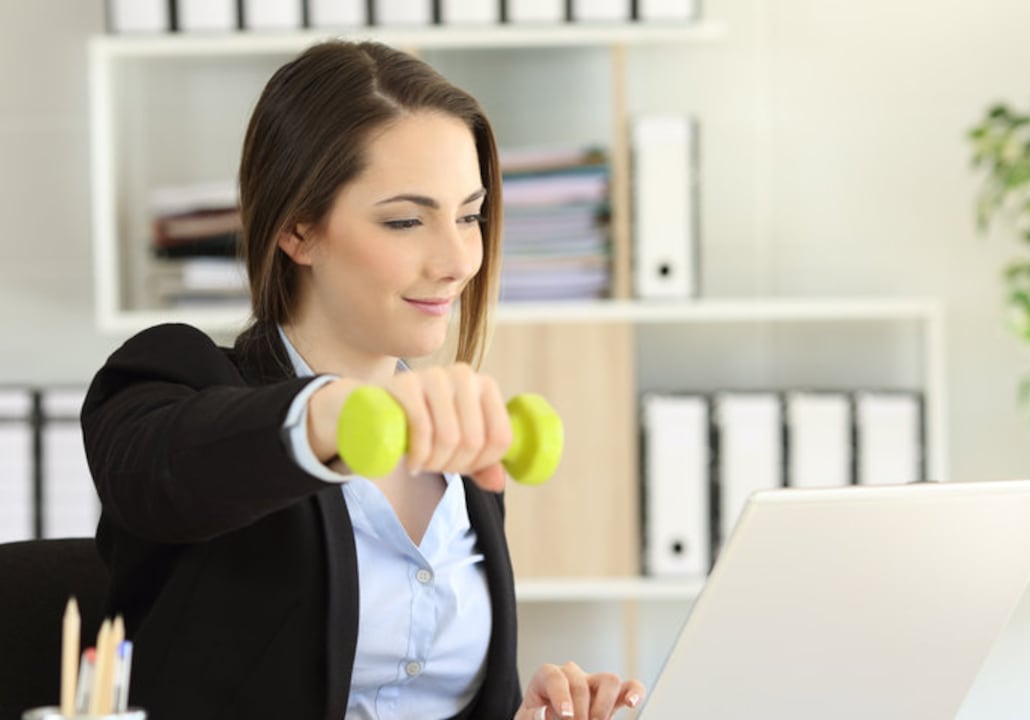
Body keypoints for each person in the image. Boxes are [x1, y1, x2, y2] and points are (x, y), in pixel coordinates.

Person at [81, 39, 645, 720]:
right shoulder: (176, 381)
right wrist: (335, 419)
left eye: (470, 215)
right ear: (298, 229)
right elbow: (162, 473)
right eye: (406, 220)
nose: (457, 260)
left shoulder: (461, 458)